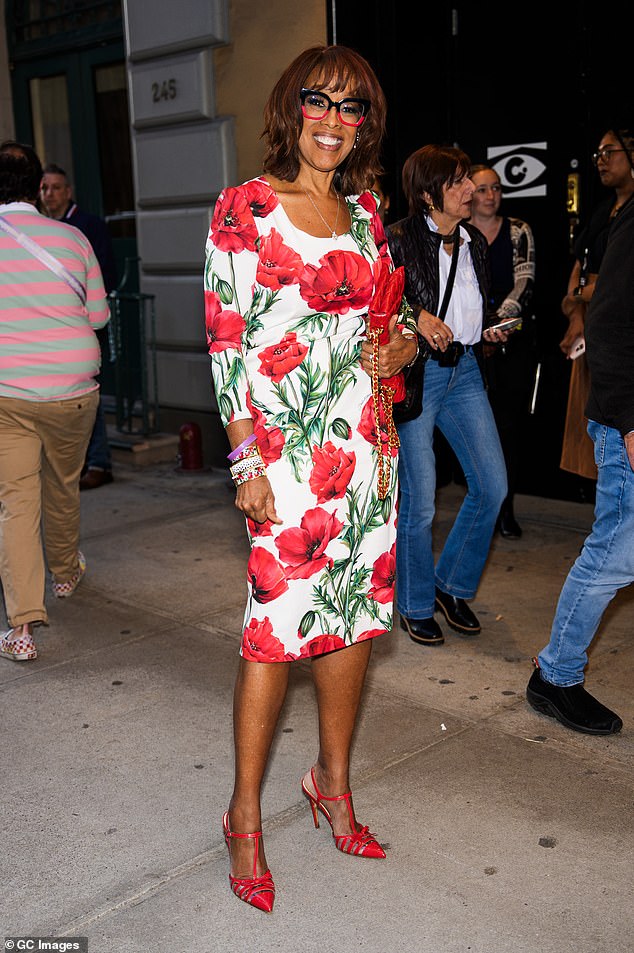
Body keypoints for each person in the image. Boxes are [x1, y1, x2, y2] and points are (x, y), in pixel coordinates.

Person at [204, 45, 417, 913]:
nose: (334, 122)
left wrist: (398, 344)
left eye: (353, 108)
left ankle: (332, 782)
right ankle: (244, 812)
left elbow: (388, 321)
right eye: (319, 103)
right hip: (286, 464)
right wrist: (246, 460)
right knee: (275, 636)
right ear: (292, 109)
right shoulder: (246, 208)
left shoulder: (367, 214)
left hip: (366, 455)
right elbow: (225, 338)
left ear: (364, 124)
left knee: (355, 624)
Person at [385, 145, 508, 647]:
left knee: (492, 485)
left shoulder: (474, 240)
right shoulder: (397, 239)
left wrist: (489, 328)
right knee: (419, 502)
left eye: (468, 181)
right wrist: (415, 317)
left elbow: (475, 302)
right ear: (426, 193)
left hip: (466, 372)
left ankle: (450, 583)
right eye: (457, 182)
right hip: (419, 375)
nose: (470, 191)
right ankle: (414, 603)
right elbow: (378, 305)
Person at [526, 185, 634, 736]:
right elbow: (609, 325)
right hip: (627, 421)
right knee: (615, 554)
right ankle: (557, 676)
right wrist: (629, 421)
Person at [0, 141, 110, 662]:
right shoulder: (71, 239)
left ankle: (22, 627)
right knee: (62, 485)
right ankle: (65, 574)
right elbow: (98, 318)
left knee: (16, 505)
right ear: (36, 189)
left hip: (6, 393)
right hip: (71, 388)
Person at [559, 126, 634, 486]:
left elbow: (607, 289)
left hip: (619, 340)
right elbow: (575, 283)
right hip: (593, 341)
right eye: (597, 156)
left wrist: (590, 289)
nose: (601, 162)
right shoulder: (603, 212)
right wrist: (577, 312)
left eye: (609, 152)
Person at [469, 164, 536, 538]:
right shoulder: (459, 231)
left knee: (509, 428)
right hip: (470, 341)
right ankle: (481, 507)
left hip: (511, 336)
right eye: (482, 189)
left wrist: (497, 323)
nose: (491, 195)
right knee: (478, 430)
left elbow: (525, 284)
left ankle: (505, 509)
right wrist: (476, 326)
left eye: (496, 188)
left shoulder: (518, 230)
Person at [40, 163, 117, 491]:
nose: (50, 194)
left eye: (56, 187)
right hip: (48, 328)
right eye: (44, 188)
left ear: (68, 192)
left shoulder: (88, 226)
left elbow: (105, 275)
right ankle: (75, 461)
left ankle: (99, 461)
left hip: (84, 323)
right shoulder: (37, 228)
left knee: (88, 394)